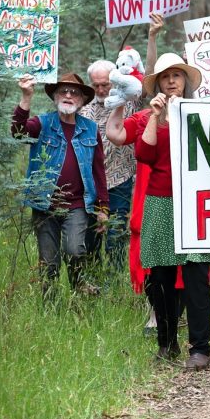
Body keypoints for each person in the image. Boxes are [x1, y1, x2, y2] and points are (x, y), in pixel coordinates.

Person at [108, 53, 210, 370]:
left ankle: (200, 348)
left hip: (195, 203)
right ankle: (167, 343)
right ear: (159, 83)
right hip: (159, 201)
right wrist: (156, 116)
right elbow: (145, 154)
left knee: (196, 277)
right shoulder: (145, 117)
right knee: (162, 277)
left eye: (177, 76)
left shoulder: (202, 114)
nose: (171, 81)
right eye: (166, 77)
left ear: (185, 81)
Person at [12, 73, 109, 296]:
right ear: (55, 96)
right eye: (63, 91)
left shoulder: (91, 129)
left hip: (77, 205)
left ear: (83, 100)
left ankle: (79, 291)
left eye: (74, 92)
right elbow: (18, 133)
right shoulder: (41, 123)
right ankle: (50, 307)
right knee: (49, 262)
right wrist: (26, 96)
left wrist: (103, 208)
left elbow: (98, 172)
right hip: (44, 204)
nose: (68, 95)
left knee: (75, 251)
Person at [82, 60, 139, 269]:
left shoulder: (129, 102)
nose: (101, 89)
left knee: (116, 234)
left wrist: (152, 38)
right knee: (92, 234)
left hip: (119, 178)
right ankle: (92, 275)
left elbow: (148, 79)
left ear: (113, 81)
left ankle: (114, 280)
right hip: (91, 182)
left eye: (105, 84)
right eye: (96, 85)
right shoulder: (85, 109)